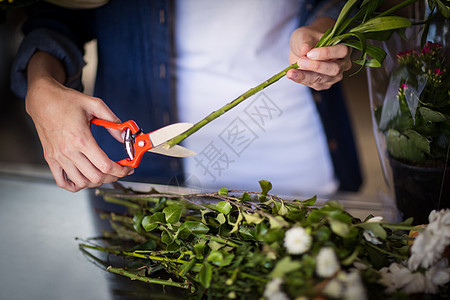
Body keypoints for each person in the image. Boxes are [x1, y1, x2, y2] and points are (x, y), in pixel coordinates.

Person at [11, 0, 361, 195]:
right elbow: (56, 17)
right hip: (149, 174)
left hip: (296, 157)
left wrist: (326, 28)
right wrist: (42, 87)